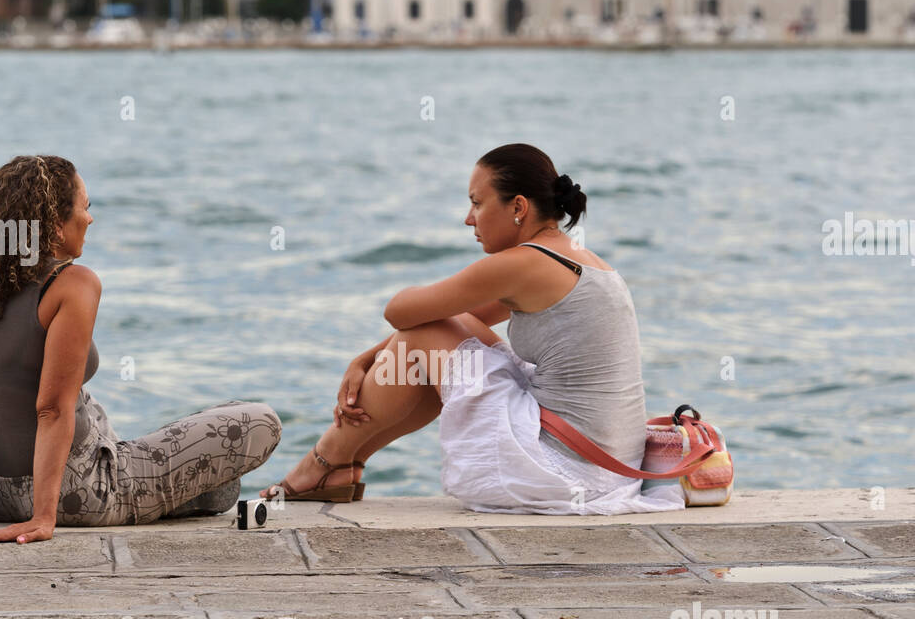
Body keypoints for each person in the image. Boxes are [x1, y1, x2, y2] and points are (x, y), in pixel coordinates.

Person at [0, 155, 281, 541]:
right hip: (80, 490)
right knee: (258, 419)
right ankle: (184, 493)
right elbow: (52, 410)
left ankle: (207, 495)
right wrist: (44, 516)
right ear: (54, 225)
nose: (90, 217)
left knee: (218, 491)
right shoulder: (73, 283)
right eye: (84, 206)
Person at [261, 143, 684, 515]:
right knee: (432, 343)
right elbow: (447, 323)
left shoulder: (525, 263)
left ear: (518, 207)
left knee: (420, 337)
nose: (468, 219)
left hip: (565, 469)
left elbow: (400, 311)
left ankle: (322, 464)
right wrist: (366, 358)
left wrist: (378, 345)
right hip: (608, 467)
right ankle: (342, 467)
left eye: (477, 204)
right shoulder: (575, 258)